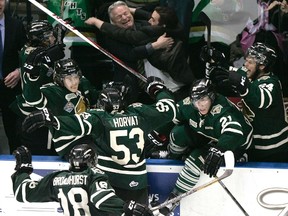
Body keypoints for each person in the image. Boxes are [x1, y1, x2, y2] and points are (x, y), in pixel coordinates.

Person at [21, 76, 178, 205]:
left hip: (111, 183)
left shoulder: (100, 117)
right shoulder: (140, 113)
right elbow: (170, 109)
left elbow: (77, 124)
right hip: (139, 184)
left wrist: (52, 120)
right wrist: (159, 90)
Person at [156, 78, 254, 215]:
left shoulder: (222, 111)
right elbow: (171, 115)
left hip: (236, 144)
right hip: (210, 136)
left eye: (203, 100)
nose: (199, 105)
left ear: (212, 97)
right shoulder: (191, 105)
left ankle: (174, 198)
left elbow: (235, 133)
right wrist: (156, 131)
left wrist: (219, 150)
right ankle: (172, 156)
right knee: (177, 133)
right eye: (196, 101)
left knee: (195, 159)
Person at [86, 2, 194, 101]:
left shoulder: (145, 25)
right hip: (132, 88)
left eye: (126, 13)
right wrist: (154, 46)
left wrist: (134, 10)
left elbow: (157, 18)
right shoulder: (111, 38)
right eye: (119, 16)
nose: (124, 17)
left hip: (170, 84)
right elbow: (130, 54)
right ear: (112, 23)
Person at [11, 144, 153, 216]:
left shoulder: (57, 178)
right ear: (92, 161)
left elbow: (22, 193)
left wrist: (23, 170)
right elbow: (101, 199)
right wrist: (127, 207)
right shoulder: (94, 175)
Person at [209, 42, 288, 162]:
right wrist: (218, 60)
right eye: (246, 60)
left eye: (250, 62)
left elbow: (261, 99)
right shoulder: (249, 75)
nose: (245, 65)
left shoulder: (272, 83)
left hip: (276, 150)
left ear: (262, 66)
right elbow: (233, 73)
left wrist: (242, 83)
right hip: (254, 147)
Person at [12, 58, 99, 155]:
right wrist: (32, 78)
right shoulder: (53, 91)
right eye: (69, 79)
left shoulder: (83, 84)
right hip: (70, 143)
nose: (74, 82)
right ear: (60, 79)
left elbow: (96, 101)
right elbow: (33, 99)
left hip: (89, 135)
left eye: (76, 77)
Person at [0, 0, 27, 154]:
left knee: (13, 132)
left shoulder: (16, 25)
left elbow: (26, 55)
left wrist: (19, 71)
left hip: (10, 85)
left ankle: (16, 167)